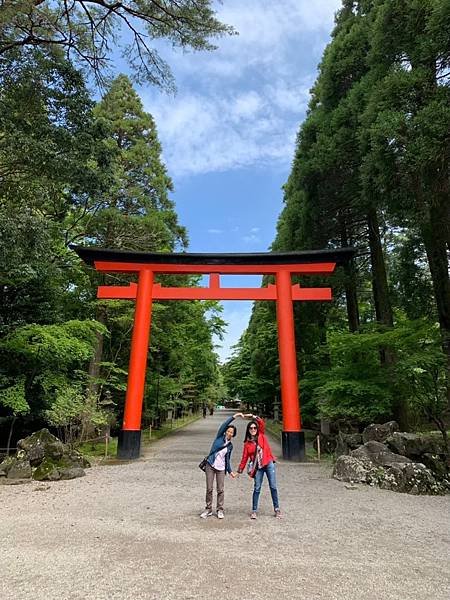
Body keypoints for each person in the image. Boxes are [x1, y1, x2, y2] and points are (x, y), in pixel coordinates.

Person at [200, 412, 244, 519]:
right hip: (210, 465)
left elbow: (227, 460)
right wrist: (235, 416)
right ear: (225, 432)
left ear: (233, 434)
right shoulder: (219, 437)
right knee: (209, 488)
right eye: (228, 431)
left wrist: (230, 472)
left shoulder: (230, 446)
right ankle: (208, 509)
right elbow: (225, 424)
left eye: (231, 432)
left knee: (220, 489)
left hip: (221, 468)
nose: (229, 433)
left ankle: (220, 509)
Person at [237, 414, 282, 519]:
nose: (253, 429)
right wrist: (239, 471)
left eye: (254, 428)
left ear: (257, 429)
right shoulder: (247, 444)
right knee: (257, 488)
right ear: (248, 430)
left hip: (268, 463)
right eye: (251, 428)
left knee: (273, 486)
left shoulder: (261, 434)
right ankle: (254, 510)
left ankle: (277, 509)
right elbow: (244, 458)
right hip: (258, 467)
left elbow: (261, 423)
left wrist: (253, 416)